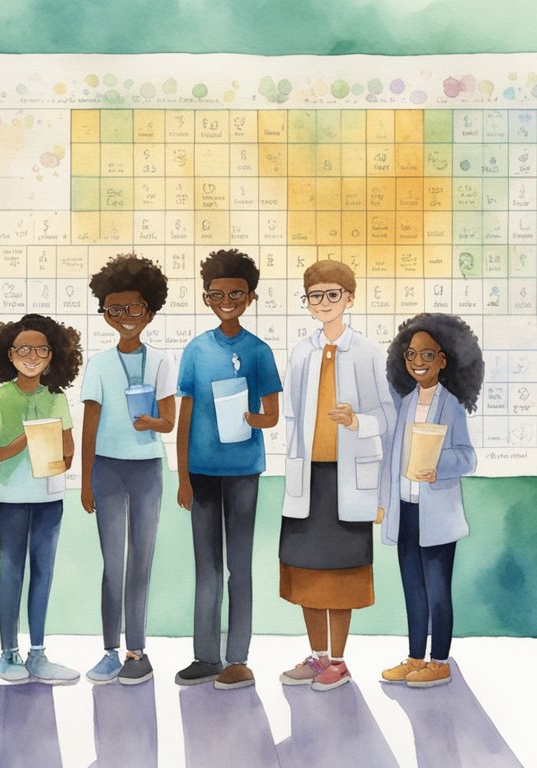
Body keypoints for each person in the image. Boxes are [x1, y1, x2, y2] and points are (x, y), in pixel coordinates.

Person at [278, 260, 394, 692]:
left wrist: (354, 421)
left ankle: (340, 662)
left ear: (350, 297)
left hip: (348, 479)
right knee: (305, 571)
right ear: (306, 302)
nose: (323, 303)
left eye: (332, 294)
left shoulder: (366, 353)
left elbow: (387, 414)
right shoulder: (301, 351)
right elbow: (291, 415)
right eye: (314, 296)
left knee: (342, 574)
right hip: (308, 478)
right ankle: (317, 656)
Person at [175, 249, 281, 689]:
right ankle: (205, 657)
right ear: (206, 298)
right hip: (201, 471)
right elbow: (184, 416)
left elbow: (272, 415)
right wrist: (181, 475)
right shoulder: (196, 349)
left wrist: (246, 417)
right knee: (207, 568)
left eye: (236, 293)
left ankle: (238, 657)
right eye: (217, 294)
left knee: (240, 565)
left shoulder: (259, 351)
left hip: (243, 470)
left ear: (250, 296)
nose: (226, 300)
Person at [80, 254, 175, 685]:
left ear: (150, 311)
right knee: (111, 564)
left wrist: (150, 422)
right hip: (107, 470)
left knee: (142, 562)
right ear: (105, 313)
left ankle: (137, 650)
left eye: (134, 309)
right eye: (114, 310)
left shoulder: (160, 361)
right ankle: (108, 650)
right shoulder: (99, 363)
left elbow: (169, 422)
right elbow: (89, 425)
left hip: (147, 471)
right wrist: (84, 482)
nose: (125, 317)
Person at [377, 313, 482, 688]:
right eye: (410, 355)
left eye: (427, 355)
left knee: (438, 589)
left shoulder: (451, 404)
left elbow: (468, 457)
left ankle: (439, 661)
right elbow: (391, 456)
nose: (417, 362)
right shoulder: (404, 403)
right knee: (413, 588)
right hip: (406, 508)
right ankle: (415, 657)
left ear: (443, 359)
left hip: (436, 511)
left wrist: (438, 467)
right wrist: (383, 502)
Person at [0, 313, 82, 685]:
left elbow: (69, 453)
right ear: (9, 354)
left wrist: (55, 453)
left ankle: (37, 653)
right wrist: (26, 438)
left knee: (44, 574)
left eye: (41, 349)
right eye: (24, 349)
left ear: (53, 356)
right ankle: (9, 653)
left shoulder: (56, 397)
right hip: (11, 498)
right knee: (11, 573)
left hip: (50, 497)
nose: (33, 355)